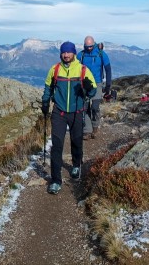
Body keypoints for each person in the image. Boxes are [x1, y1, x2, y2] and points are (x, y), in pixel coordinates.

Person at [41, 41, 97, 194]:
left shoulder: (83, 70)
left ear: (73, 53)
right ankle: (55, 180)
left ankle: (76, 165)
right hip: (58, 112)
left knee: (76, 141)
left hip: (77, 112)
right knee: (57, 146)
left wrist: (88, 89)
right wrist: (45, 102)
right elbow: (48, 87)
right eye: (63, 52)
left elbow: (93, 91)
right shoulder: (55, 69)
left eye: (68, 52)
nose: (66, 55)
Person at [77, 36, 112, 139]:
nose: (88, 48)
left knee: (95, 107)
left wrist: (108, 86)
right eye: (86, 46)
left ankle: (95, 125)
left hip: (97, 83)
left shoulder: (101, 54)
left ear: (94, 44)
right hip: (85, 84)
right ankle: (87, 130)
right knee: (85, 107)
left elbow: (108, 69)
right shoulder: (81, 55)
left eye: (90, 46)